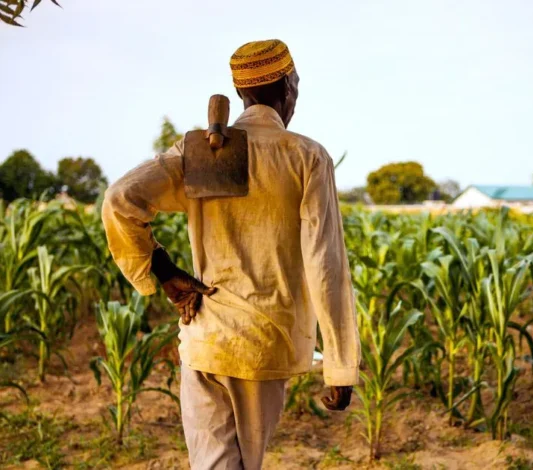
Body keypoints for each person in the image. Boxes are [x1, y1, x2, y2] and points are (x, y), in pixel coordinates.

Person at [102, 39, 360, 469]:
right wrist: (339, 366)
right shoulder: (306, 157)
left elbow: (118, 200)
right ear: (287, 88)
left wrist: (164, 271)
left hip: (203, 338)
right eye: (295, 85)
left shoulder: (201, 151)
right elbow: (325, 265)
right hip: (264, 344)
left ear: (242, 94)